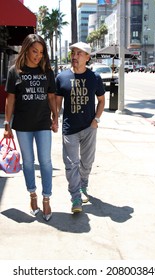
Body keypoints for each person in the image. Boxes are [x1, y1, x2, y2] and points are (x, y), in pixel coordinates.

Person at [3, 34, 58, 221]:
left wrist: (55, 117)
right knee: (28, 162)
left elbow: (51, 97)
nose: (38, 56)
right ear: (26, 50)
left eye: (41, 52)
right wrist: (6, 123)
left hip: (43, 123)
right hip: (23, 126)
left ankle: (47, 198)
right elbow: (10, 100)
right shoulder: (14, 71)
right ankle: (33, 195)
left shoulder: (47, 72)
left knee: (46, 162)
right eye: (35, 51)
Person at [55, 42, 105, 213]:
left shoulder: (95, 78)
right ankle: (75, 196)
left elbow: (102, 100)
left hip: (89, 127)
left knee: (87, 161)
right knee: (71, 164)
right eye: (73, 53)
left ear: (87, 58)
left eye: (79, 53)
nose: (74, 56)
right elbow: (57, 102)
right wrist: (55, 119)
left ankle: (84, 186)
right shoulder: (61, 78)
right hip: (70, 128)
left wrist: (96, 120)